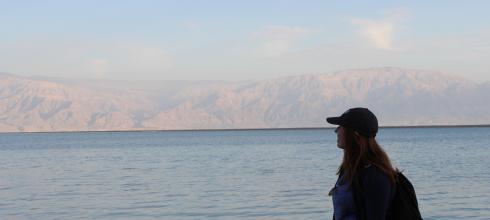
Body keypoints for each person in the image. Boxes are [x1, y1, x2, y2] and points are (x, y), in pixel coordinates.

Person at [327, 107, 397, 220]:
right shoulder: (348, 170)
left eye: (341, 126)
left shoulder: (376, 175)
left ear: (355, 133)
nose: (336, 130)